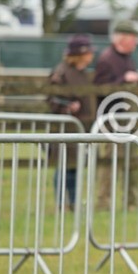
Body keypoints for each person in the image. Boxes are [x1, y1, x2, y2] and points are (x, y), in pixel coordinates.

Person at [93, 20, 138, 208]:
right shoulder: (107, 59)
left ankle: (131, 201)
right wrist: (124, 79)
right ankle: (104, 201)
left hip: (128, 119)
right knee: (109, 162)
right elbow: (99, 88)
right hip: (111, 120)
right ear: (123, 38)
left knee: (132, 160)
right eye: (133, 38)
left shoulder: (127, 58)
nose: (135, 42)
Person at [45, 34, 96, 209]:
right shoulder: (61, 72)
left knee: (75, 167)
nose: (91, 55)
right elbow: (51, 98)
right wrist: (67, 106)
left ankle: (74, 202)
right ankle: (61, 202)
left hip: (80, 128)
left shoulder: (83, 73)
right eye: (88, 52)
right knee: (63, 167)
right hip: (64, 129)